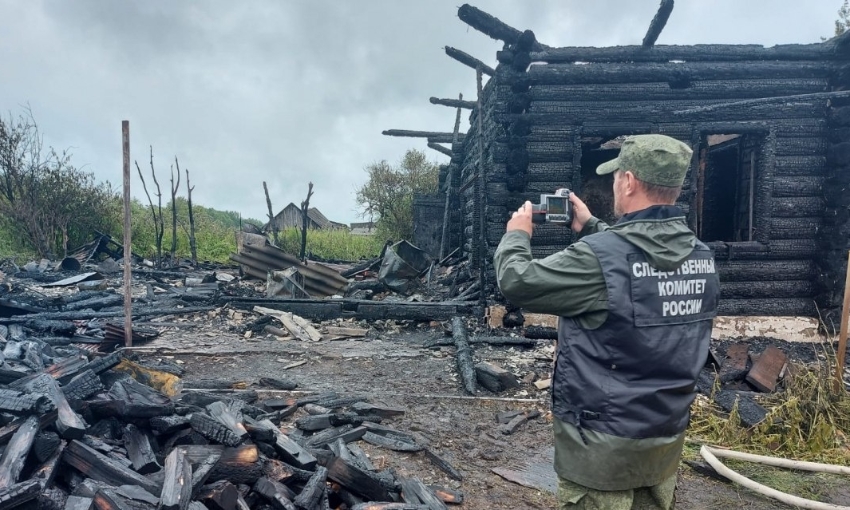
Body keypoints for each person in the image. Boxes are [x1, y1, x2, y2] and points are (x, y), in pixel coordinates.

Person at [493, 134, 719, 510]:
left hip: (601, 448)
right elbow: (635, 267)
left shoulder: (598, 259)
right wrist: (592, 225)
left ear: (628, 181)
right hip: (663, 441)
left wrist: (517, 235)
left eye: (616, 176)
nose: (614, 183)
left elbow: (518, 282)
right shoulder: (701, 256)